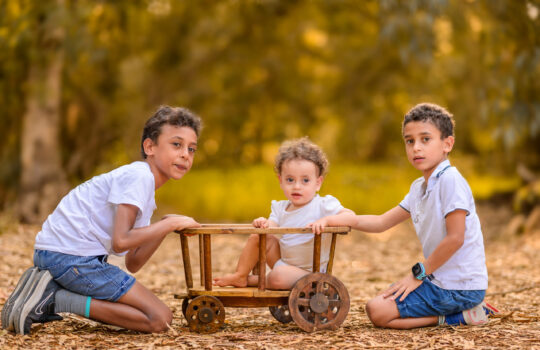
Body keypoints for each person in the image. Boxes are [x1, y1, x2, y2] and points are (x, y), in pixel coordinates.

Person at [1, 106, 203, 335]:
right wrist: (168, 224)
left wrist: (164, 226)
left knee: (156, 318)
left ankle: (50, 289)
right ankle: (54, 299)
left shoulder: (143, 188)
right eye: (176, 144)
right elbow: (121, 241)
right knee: (159, 320)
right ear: (150, 147)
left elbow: (133, 262)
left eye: (192, 149)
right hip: (71, 258)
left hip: (60, 255)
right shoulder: (139, 177)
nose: (185, 154)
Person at [311, 103, 498, 329]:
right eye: (410, 141)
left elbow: (456, 238)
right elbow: (381, 222)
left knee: (377, 311)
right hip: (438, 281)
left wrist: (416, 276)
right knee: (378, 304)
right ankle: (458, 311)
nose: (416, 148)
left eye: (425, 139)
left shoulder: (451, 180)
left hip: (460, 286)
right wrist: (338, 219)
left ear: (447, 144)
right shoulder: (419, 187)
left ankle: (460, 317)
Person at [213, 137, 355, 290]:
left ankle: (253, 280)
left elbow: (351, 217)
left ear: (318, 183)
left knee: (278, 275)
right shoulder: (280, 207)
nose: (297, 186)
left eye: (305, 180)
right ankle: (240, 275)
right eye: (290, 180)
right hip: (283, 263)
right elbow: (272, 226)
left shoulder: (323, 205)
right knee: (258, 237)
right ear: (280, 181)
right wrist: (264, 223)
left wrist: (327, 220)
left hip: (309, 273)